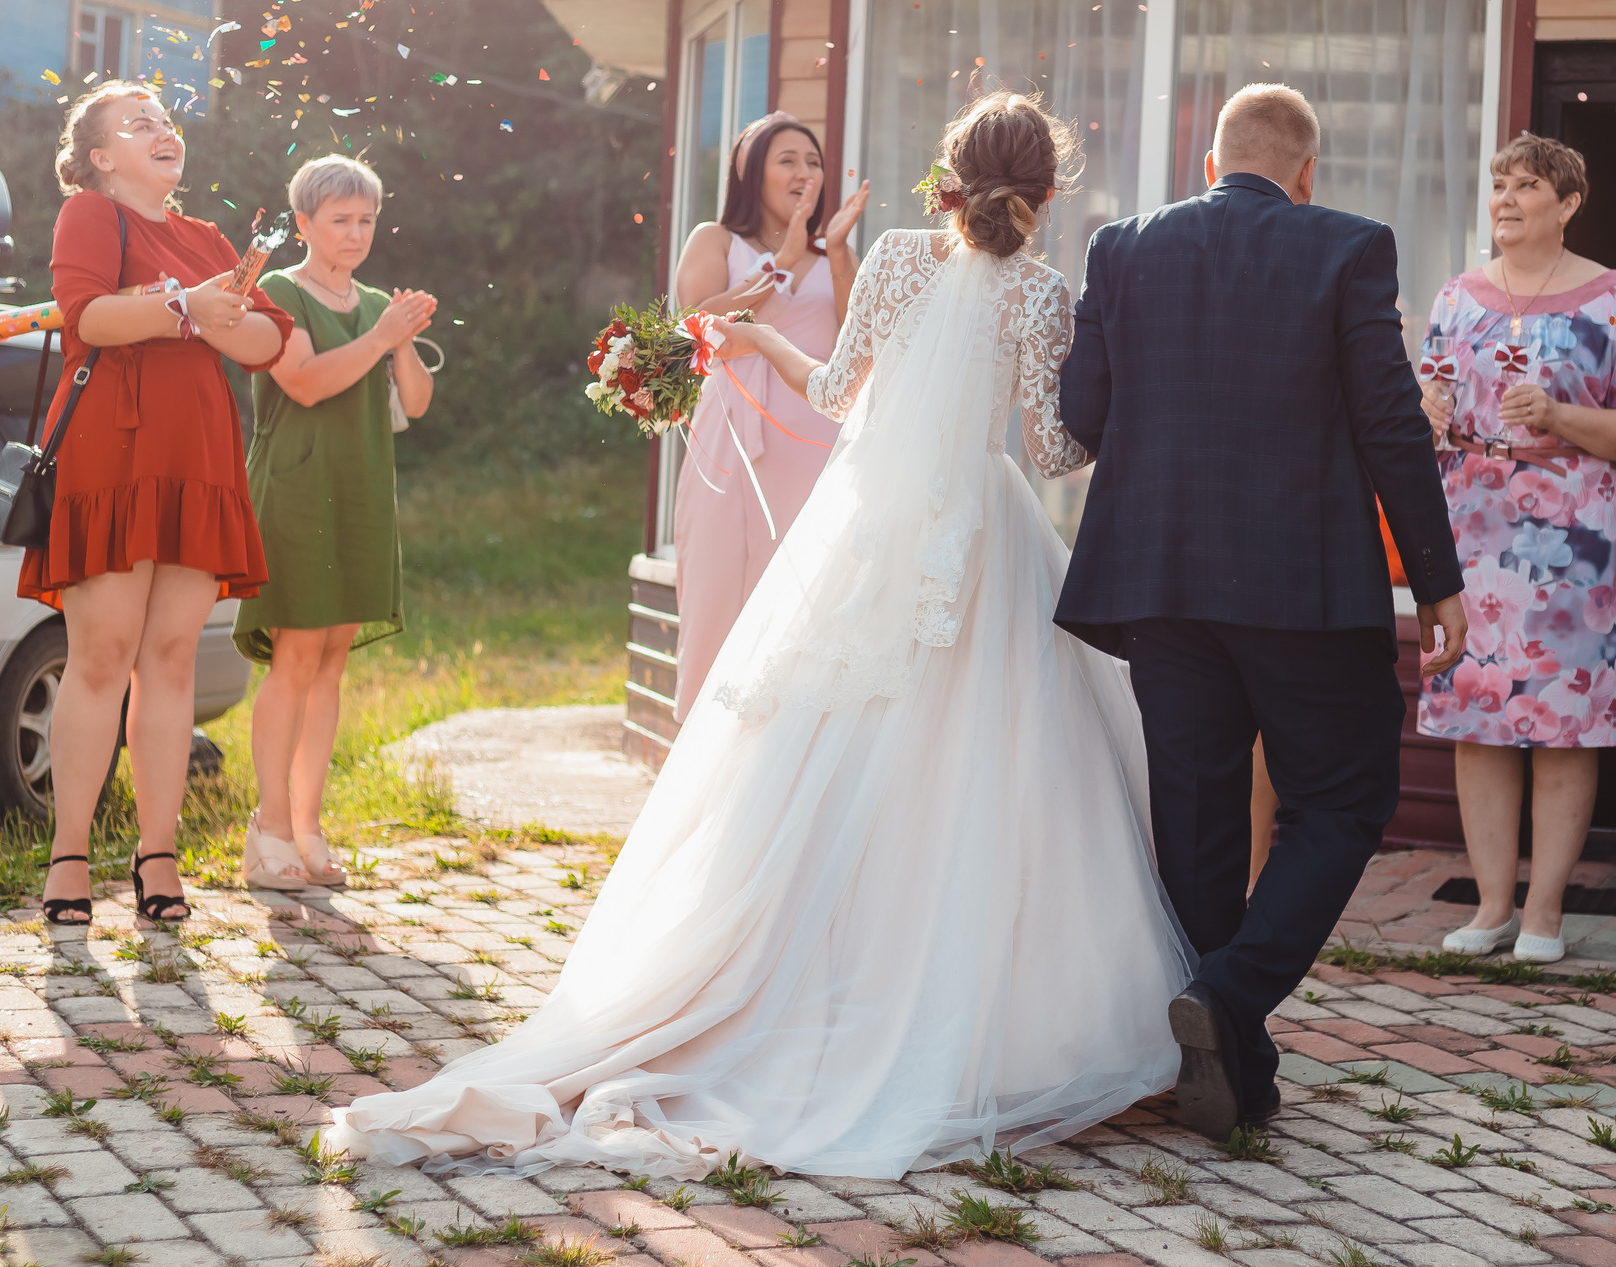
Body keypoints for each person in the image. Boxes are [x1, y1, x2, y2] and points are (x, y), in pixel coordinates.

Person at [323, 93, 1190, 1177]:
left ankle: (794, 971)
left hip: (868, 534)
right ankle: (978, 1010)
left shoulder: (898, 260)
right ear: (1046, 191)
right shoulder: (1042, 291)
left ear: (945, 177)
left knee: (831, 747)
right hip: (980, 539)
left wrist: (760, 339)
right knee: (984, 763)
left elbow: (833, 392)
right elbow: (1056, 450)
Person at [1057, 82, 1470, 1139]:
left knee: (1195, 821)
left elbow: (1085, 416)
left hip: (1155, 579)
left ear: (1209, 164)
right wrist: (1436, 578)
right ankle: (1231, 1002)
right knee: (1342, 798)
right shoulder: (1347, 247)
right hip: (1301, 584)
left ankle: (1224, 1053)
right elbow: (1389, 422)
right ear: (1305, 174)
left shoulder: (1121, 248)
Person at [20, 84, 292, 928]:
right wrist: (186, 308)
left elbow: (267, 340)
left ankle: (159, 853)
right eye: (139, 124)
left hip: (197, 461)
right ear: (100, 155)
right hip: (115, 457)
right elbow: (89, 317)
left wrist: (211, 313)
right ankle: (70, 855)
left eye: (166, 122)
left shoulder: (209, 236)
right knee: (101, 656)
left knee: (171, 659)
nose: (162, 130)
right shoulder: (91, 215)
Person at [1416, 136, 1616, 965]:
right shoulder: (1458, 296)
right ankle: (1489, 907)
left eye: (1528, 185)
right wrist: (1423, 410)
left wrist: (1560, 416)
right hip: (1471, 529)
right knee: (1478, 719)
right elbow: (1429, 398)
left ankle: (1545, 914)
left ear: (1567, 204)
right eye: (1499, 184)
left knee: (1564, 727)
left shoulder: (1611, 297)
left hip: (1571, 541)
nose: (1508, 198)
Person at [233, 155, 436, 892]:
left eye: (367, 220)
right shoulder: (276, 291)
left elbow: (414, 402)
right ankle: (270, 828)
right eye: (341, 220)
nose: (356, 233)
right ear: (305, 224)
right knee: (294, 655)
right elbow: (308, 383)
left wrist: (401, 335)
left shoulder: (378, 302)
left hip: (358, 490)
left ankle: (310, 827)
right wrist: (382, 335)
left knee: (332, 661)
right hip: (296, 485)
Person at [667, 113, 867, 718]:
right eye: (788, 160)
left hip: (813, 440)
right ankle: (702, 751)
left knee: (806, 588)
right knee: (716, 587)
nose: (805, 172)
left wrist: (830, 250)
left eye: (813, 161)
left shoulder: (838, 252)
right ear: (752, 174)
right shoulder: (715, 240)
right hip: (728, 438)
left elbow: (860, 338)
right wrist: (776, 262)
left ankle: (788, 749)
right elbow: (693, 330)